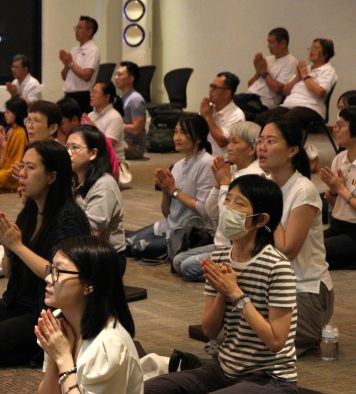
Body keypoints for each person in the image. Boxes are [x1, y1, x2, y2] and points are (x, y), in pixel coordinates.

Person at [145, 174, 297, 394]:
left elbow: (276, 341)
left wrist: (236, 294)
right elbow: (210, 330)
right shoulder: (220, 257)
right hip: (224, 370)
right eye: (228, 199)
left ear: (261, 220)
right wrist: (222, 292)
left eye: (240, 203)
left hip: (270, 380)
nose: (228, 207)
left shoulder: (277, 266)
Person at [0, 141, 90, 366]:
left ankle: (55, 347)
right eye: (22, 166)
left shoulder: (70, 218)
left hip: (49, 309)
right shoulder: (29, 212)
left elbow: (57, 274)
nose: (22, 174)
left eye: (31, 167)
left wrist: (18, 247)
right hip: (18, 302)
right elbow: (10, 273)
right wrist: (9, 250)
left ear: (51, 177)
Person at [37, 236, 146, 394]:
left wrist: (63, 358)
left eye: (58, 271)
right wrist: (56, 356)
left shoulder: (108, 344)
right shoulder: (60, 322)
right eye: (50, 269)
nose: (48, 278)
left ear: (89, 284)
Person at [257, 116, 333, 355]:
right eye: (260, 140)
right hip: (273, 288)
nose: (262, 147)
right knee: (226, 325)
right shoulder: (267, 185)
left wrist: (268, 204)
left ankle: (308, 336)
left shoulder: (303, 190)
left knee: (254, 340)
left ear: (292, 150)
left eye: (270, 141)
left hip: (305, 292)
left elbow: (287, 250)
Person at [173, 121, 263, 282]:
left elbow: (228, 218)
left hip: (235, 248)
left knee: (187, 267)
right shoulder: (234, 170)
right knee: (177, 261)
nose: (229, 147)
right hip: (221, 243)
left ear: (251, 149)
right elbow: (211, 212)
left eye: (235, 142)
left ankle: (237, 276)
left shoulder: (253, 176)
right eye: (229, 142)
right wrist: (217, 184)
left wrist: (224, 184)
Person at [128, 113, 214, 261]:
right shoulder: (177, 165)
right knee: (126, 243)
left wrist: (173, 190)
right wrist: (165, 190)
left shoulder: (207, 163)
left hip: (190, 233)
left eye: (183, 133)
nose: (177, 137)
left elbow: (204, 209)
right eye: (175, 132)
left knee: (137, 247)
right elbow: (167, 213)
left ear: (199, 138)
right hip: (168, 226)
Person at [67, 125, 127, 276]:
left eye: (74, 148)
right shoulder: (72, 179)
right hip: (79, 250)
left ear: (93, 153)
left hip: (104, 259)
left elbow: (91, 233)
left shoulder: (104, 184)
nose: (68, 153)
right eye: (66, 147)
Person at [255, 39, 337, 129]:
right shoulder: (305, 68)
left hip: (311, 108)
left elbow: (320, 92)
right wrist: (298, 77)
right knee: (261, 119)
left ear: (325, 54)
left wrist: (305, 76)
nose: (312, 50)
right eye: (311, 47)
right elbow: (285, 91)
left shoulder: (328, 70)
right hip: (288, 106)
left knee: (285, 120)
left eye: (316, 48)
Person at [321, 106, 356, 269]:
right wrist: (334, 192)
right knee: (307, 244)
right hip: (338, 225)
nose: (335, 129)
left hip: (354, 231)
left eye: (340, 125)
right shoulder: (339, 159)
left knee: (318, 253)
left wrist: (341, 189)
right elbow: (335, 204)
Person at [57, 97, 119, 178]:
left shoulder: (89, 134)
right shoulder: (75, 131)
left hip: (105, 174)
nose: (59, 128)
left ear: (74, 119)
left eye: (61, 124)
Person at [0, 97, 28, 192]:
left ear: (16, 114)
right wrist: (1, 142)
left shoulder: (20, 133)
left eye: (8, 112)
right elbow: (0, 156)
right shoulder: (10, 130)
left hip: (11, 173)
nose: (5, 114)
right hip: (3, 169)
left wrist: (2, 141)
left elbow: (14, 162)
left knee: (0, 177)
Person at [246, 27, 297, 110]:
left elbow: (279, 89)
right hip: (249, 96)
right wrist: (258, 72)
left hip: (263, 103)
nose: (268, 46)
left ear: (283, 43)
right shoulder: (268, 59)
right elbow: (250, 85)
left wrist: (264, 72)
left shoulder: (291, 62)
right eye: (268, 42)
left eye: (272, 42)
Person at [60, 16, 100, 113]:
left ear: (89, 31)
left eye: (80, 28)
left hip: (82, 96)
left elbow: (86, 75)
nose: (76, 31)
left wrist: (70, 63)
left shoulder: (93, 50)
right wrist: (66, 64)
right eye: (76, 28)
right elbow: (64, 76)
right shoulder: (74, 49)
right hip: (69, 94)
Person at [200, 71, 245, 157]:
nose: (210, 90)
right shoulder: (209, 108)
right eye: (211, 86)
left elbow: (222, 142)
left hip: (223, 161)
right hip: (203, 157)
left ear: (227, 93)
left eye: (215, 87)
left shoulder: (237, 115)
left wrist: (208, 118)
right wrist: (201, 117)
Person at [85, 81, 126, 162]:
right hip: (95, 159)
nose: (91, 95)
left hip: (113, 162)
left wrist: (93, 128)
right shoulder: (90, 115)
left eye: (95, 92)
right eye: (91, 92)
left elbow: (107, 146)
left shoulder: (115, 117)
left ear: (106, 97)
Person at [114, 61, 147, 160]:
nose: (116, 77)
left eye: (120, 75)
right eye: (116, 74)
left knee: (103, 148)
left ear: (131, 79)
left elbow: (137, 128)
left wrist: (115, 125)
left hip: (134, 146)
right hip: (123, 141)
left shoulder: (135, 99)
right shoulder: (121, 98)